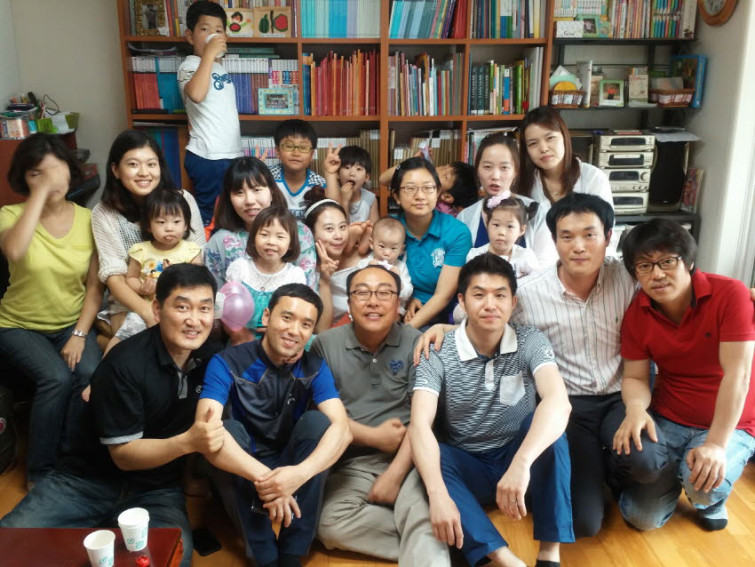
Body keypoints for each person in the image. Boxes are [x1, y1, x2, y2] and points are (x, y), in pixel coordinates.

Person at [415, 193, 660, 539]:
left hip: (622, 394)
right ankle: (596, 473)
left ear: (608, 237)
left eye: (589, 235)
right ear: (554, 241)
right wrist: (445, 328)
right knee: (584, 523)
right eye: (567, 236)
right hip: (572, 405)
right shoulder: (530, 294)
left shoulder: (629, 279)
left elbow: (675, 284)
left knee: (644, 460)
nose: (578, 247)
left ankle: (620, 473)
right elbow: (486, 314)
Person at [0, 264, 225, 567]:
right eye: (182, 307)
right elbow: (124, 456)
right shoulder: (125, 363)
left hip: (156, 490)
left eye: (204, 308)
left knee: (172, 557)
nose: (194, 320)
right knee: (8, 545)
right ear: (157, 309)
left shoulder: (212, 358)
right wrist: (189, 441)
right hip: (85, 481)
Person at [411, 254, 573, 567]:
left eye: (500, 295)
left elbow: (558, 401)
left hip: (518, 459)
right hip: (470, 462)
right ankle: (503, 558)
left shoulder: (530, 340)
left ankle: (549, 553)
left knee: (549, 428)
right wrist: (437, 494)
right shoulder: (438, 350)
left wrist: (522, 463)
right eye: (479, 295)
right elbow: (419, 424)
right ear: (462, 301)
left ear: (513, 302)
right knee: (433, 456)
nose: (490, 305)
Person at [613, 219, 755, 532]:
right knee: (641, 518)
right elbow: (635, 377)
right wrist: (635, 409)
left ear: (688, 262)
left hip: (731, 424)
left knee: (701, 483)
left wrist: (716, 444)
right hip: (671, 417)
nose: (657, 274)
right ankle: (678, 475)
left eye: (667, 261)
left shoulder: (729, 294)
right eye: (644, 266)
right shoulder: (637, 312)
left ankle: (709, 499)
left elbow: (738, 375)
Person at [197, 283, 351, 567]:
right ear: (267, 317)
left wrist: (298, 474)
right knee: (225, 431)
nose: (294, 330)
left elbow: (343, 430)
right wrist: (270, 481)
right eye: (287, 318)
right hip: (243, 462)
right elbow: (204, 429)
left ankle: (292, 552)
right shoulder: (228, 361)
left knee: (319, 424)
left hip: (288, 460)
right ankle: (264, 556)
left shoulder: (314, 366)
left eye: (306, 324)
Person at [312, 265, 450, 566]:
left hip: (412, 458)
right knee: (329, 524)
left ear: (398, 302)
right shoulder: (325, 345)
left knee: (422, 514)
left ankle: (426, 534)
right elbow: (321, 416)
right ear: (349, 302)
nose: (373, 301)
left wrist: (394, 475)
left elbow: (423, 421)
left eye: (384, 293)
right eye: (362, 293)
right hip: (353, 463)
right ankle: (436, 541)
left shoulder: (417, 342)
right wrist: (372, 437)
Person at [0, 133, 103, 485]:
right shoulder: (9, 215)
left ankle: (70, 460)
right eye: (36, 173)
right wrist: (41, 191)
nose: (50, 179)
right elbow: (15, 250)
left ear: (70, 170)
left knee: (89, 373)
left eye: (56, 169)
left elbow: (94, 287)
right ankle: (40, 472)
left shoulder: (89, 220)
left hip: (71, 323)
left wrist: (79, 334)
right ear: (23, 178)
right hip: (17, 325)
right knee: (56, 377)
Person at [92, 130, 205, 336]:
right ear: (116, 170)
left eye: (151, 164)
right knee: (137, 340)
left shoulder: (183, 200)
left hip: (182, 296)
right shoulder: (105, 213)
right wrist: (148, 313)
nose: (144, 172)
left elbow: (198, 255)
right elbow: (115, 278)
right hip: (131, 301)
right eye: (133, 164)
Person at [108, 188, 202, 348]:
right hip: (147, 309)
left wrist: (178, 275)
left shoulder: (191, 251)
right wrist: (141, 288)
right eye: (161, 222)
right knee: (123, 339)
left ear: (186, 224)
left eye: (176, 222)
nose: (169, 228)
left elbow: (199, 281)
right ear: (149, 226)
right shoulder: (141, 251)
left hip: (181, 311)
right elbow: (130, 278)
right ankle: (110, 359)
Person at [204, 156, 317, 289]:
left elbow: (308, 293)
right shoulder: (219, 241)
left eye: (256, 190)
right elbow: (213, 295)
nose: (249, 201)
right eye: (239, 192)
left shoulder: (300, 233)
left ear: (272, 191)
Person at [178, 0, 243, 225]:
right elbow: (196, 94)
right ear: (190, 36)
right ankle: (203, 247)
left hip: (229, 153)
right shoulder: (189, 66)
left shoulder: (219, 67)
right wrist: (209, 54)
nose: (212, 35)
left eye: (218, 30)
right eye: (204, 29)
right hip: (208, 155)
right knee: (210, 215)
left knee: (231, 212)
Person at [390, 157, 471, 328]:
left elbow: (443, 296)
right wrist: (407, 299)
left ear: (438, 192)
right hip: (397, 310)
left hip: (440, 321)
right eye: (410, 188)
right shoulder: (389, 231)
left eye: (428, 188)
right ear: (396, 196)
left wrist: (404, 333)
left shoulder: (457, 232)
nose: (420, 196)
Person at [456, 132, 556, 265]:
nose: (495, 176)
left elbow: (546, 267)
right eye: (487, 167)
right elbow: (459, 267)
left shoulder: (537, 213)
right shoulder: (465, 217)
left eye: (504, 167)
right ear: (478, 170)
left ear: (516, 171)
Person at [225, 207, 306, 338]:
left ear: (291, 244)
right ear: (253, 238)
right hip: (239, 339)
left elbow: (296, 315)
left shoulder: (295, 276)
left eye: (280, 237)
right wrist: (238, 334)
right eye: (264, 235)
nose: (271, 242)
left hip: (279, 340)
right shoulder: (239, 268)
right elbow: (225, 309)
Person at [518, 106, 613, 214]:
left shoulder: (593, 178)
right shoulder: (524, 184)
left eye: (550, 138)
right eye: (533, 143)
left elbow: (605, 223)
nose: (543, 149)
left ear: (564, 137)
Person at [302, 188, 366, 330]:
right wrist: (325, 281)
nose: (339, 236)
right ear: (311, 233)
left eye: (342, 227)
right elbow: (322, 332)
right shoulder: (307, 272)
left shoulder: (365, 260)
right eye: (329, 229)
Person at [269, 119, 327, 220]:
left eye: (303, 147)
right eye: (289, 146)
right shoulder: (268, 177)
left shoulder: (318, 183)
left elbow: (330, 212)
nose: (296, 153)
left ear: (312, 155)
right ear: (277, 151)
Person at [354, 217, 413, 312]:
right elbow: (354, 287)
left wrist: (398, 281)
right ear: (372, 244)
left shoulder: (400, 267)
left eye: (393, 248)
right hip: (368, 306)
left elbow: (407, 293)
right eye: (382, 246)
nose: (387, 253)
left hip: (393, 310)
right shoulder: (364, 263)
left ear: (401, 250)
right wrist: (368, 271)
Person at [322, 144, 379, 224]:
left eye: (358, 169)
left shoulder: (370, 198)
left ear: (366, 177)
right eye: (347, 167)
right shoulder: (332, 195)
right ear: (337, 174)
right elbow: (338, 227)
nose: (352, 173)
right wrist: (345, 202)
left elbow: (374, 228)